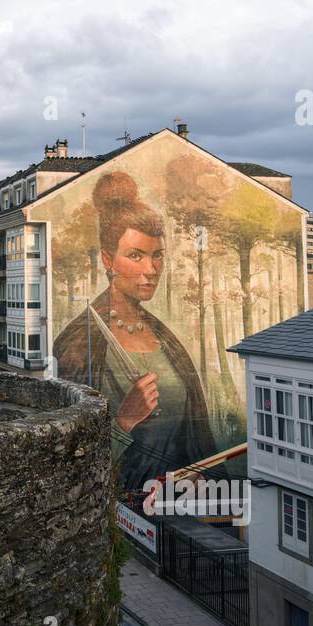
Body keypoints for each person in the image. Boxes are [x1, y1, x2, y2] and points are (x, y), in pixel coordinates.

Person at [53, 170, 216, 496]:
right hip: (119, 517)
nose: (151, 270)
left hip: (178, 509)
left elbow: (197, 444)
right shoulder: (78, 344)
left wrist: (201, 475)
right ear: (107, 260)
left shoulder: (168, 341)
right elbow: (66, 463)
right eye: (136, 255)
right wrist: (124, 421)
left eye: (157, 256)